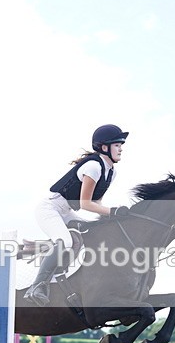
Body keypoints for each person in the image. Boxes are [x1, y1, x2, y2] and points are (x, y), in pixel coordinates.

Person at [23, 124, 131, 306]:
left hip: (66, 211)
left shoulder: (111, 172)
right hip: (50, 209)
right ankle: (37, 286)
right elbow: (85, 204)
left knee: (90, 232)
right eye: (117, 144)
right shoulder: (93, 167)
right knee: (66, 241)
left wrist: (113, 216)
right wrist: (113, 212)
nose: (121, 148)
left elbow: (96, 203)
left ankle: (60, 272)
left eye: (121, 145)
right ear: (104, 147)